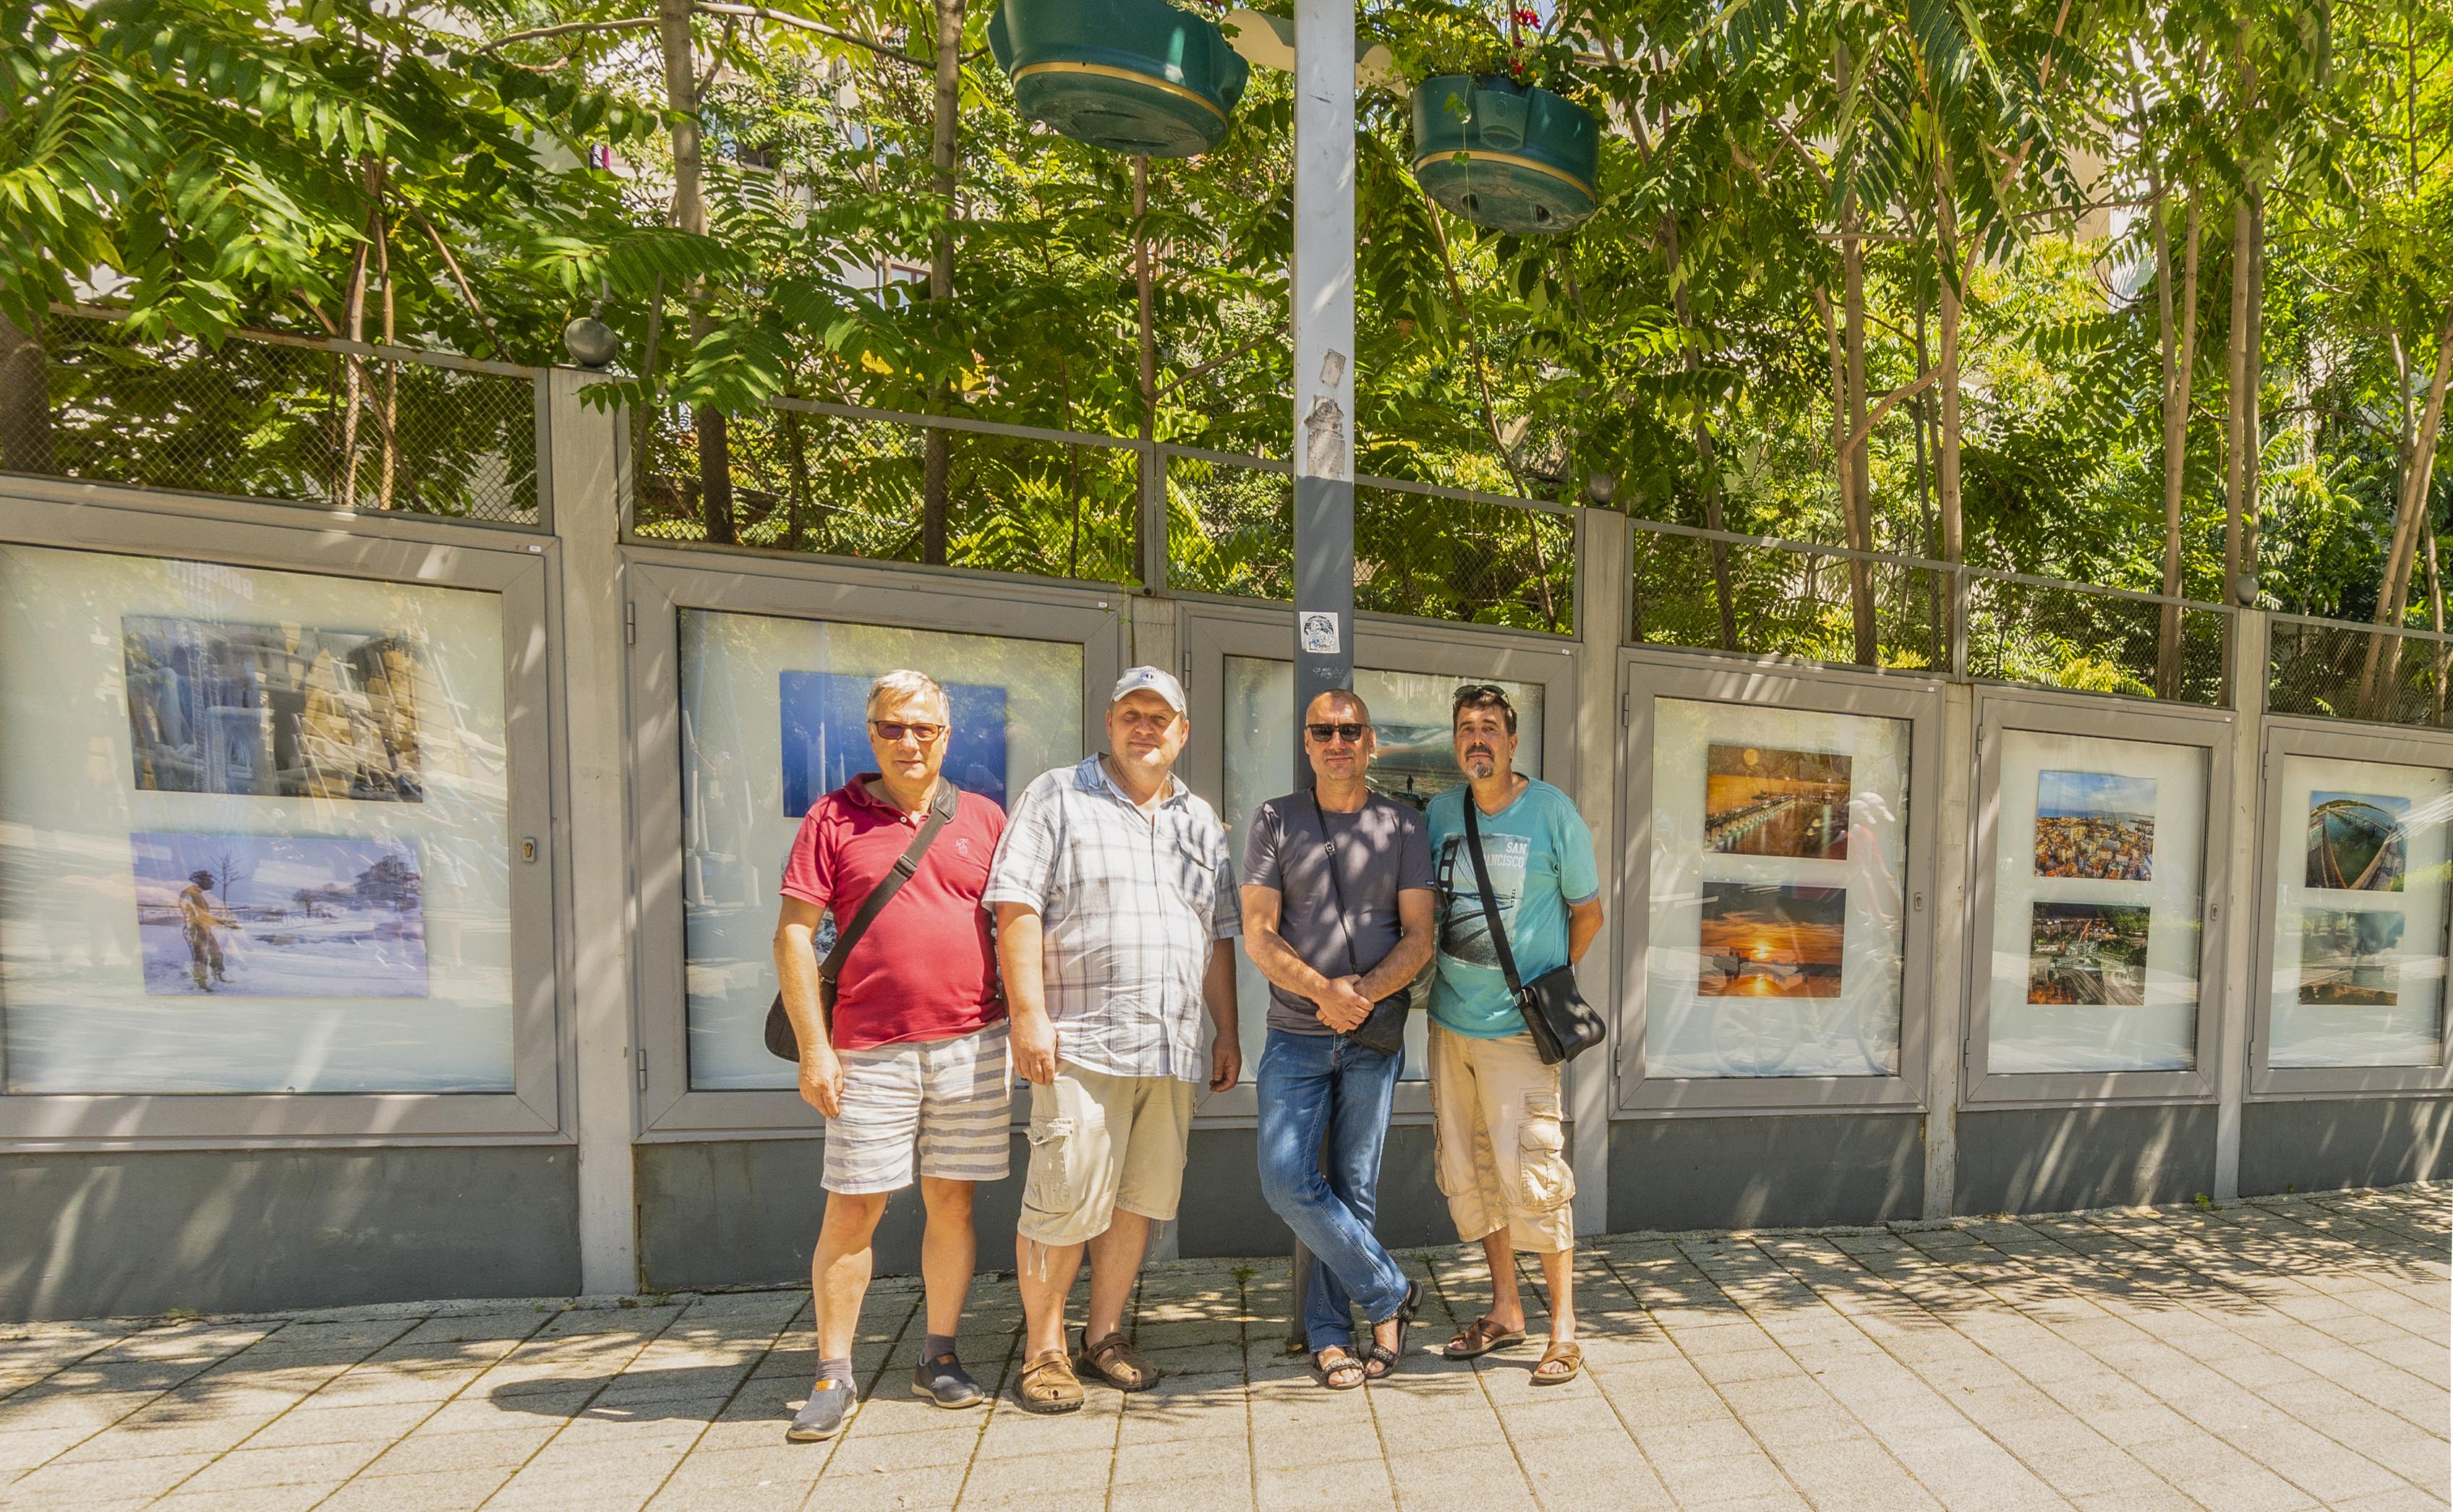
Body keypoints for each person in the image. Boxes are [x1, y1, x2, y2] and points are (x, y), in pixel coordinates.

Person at [985, 666, 1241, 1415]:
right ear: (1109, 722)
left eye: (1159, 718)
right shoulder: (1055, 795)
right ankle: (1043, 1351)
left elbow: (1217, 936)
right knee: (1062, 1201)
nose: (1144, 728)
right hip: (1081, 1045)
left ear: (1182, 732)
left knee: (1136, 1204)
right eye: (1131, 714)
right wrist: (1027, 1015)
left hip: (1168, 1049)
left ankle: (1103, 1337)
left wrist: (1224, 1028)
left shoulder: (1201, 820)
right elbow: (1016, 909)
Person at [773, 670, 1011, 1443]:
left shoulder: (982, 817)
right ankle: (832, 1372)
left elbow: (1014, 926)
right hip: (867, 1050)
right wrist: (815, 1049)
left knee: (953, 1202)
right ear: (870, 732)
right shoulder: (833, 817)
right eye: (892, 728)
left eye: (924, 729)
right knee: (854, 1208)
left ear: (946, 734)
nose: (909, 741)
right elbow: (792, 935)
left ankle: (938, 1355)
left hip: (972, 1044)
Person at [1242, 689, 1435, 1390]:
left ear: (1369, 741)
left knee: (1353, 1186)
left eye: (1348, 730)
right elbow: (1258, 935)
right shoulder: (1274, 819)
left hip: (1373, 1034)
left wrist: (1360, 997)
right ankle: (1389, 1293)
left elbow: (1419, 935)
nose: (1336, 741)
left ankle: (1332, 1335)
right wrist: (1324, 993)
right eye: (1322, 730)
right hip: (1294, 1034)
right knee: (1286, 1178)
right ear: (1305, 741)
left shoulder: (1403, 828)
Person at [1423, 683, 1602, 1387]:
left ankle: (1563, 1328)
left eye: (1489, 728)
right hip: (1448, 1026)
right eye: (1466, 728)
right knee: (1471, 1173)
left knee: (1533, 1171)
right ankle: (1505, 1309)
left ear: (1511, 740)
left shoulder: (1552, 812)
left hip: (1516, 1035)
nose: (1477, 739)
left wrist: (1547, 983)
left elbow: (1586, 912)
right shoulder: (1442, 812)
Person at [177, 870, 234, 991]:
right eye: (208, 880)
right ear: (199, 881)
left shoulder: (198, 894)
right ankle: (201, 983)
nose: (211, 883)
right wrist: (220, 922)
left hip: (204, 929)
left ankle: (218, 976)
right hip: (195, 930)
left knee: (217, 953)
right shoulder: (190, 894)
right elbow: (200, 916)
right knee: (201, 957)